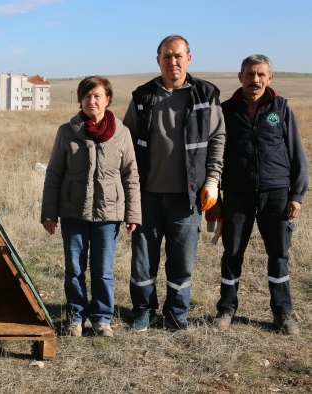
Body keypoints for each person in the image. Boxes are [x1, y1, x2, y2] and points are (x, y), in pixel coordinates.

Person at [123, 35, 226, 330]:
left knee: (182, 262)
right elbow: (127, 144)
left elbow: (218, 138)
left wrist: (213, 179)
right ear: (158, 61)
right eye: (167, 56)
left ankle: (176, 314)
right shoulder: (142, 97)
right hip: (147, 197)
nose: (173, 62)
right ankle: (143, 311)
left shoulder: (206, 94)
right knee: (143, 262)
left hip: (189, 197)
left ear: (189, 59)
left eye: (178, 56)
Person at [212, 54, 308, 335]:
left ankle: (283, 313)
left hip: (276, 192)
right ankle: (226, 309)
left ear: (270, 78)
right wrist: (215, 198)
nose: (255, 80)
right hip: (237, 193)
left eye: (261, 75)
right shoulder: (226, 110)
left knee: (278, 254)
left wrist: (297, 195)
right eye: (250, 74)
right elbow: (215, 156)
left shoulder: (281, 108)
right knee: (232, 253)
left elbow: (297, 153)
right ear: (240, 76)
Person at [41, 76, 141, 338]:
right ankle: (76, 316)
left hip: (109, 215)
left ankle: (101, 318)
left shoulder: (122, 133)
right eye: (87, 96)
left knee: (103, 270)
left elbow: (131, 175)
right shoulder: (67, 131)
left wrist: (133, 213)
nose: (92, 101)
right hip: (74, 212)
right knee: (74, 268)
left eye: (97, 96)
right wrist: (49, 212)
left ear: (108, 99)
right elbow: (54, 174)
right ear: (80, 100)